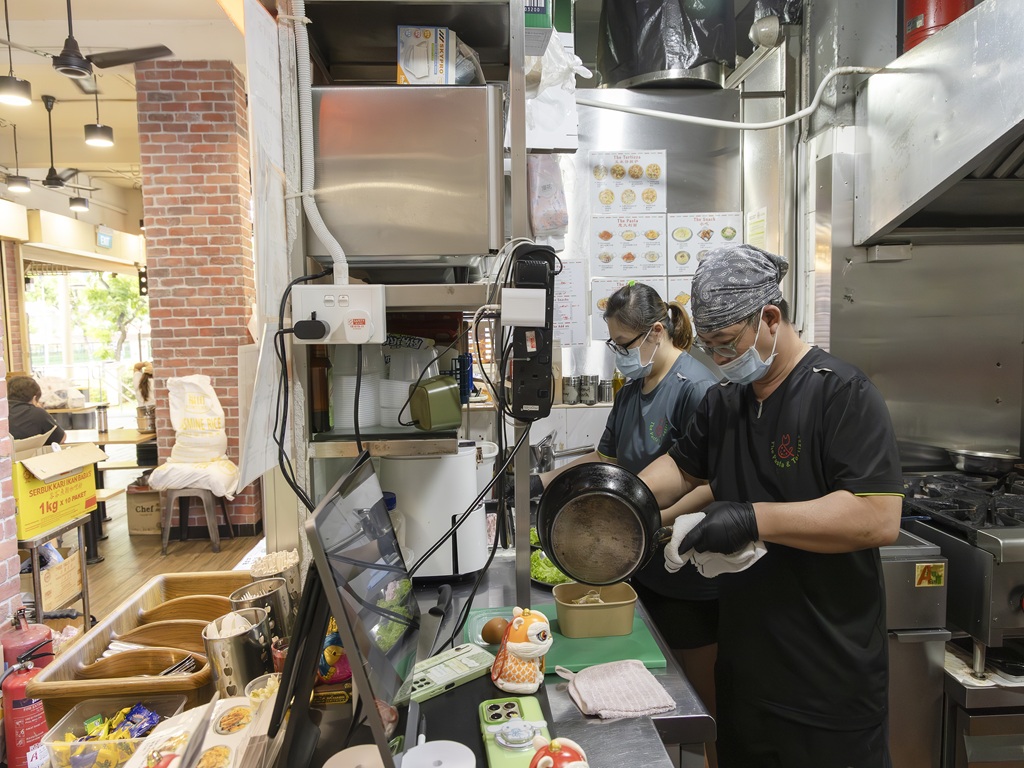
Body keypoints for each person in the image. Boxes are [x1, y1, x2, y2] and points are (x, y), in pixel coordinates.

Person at [638, 245, 903, 768]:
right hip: (747, 674)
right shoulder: (725, 402)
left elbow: (876, 517)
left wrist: (754, 519)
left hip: (828, 678)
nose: (718, 359)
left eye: (727, 343)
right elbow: (681, 469)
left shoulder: (841, 393)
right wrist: (622, 501)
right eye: (708, 348)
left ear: (771, 318)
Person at [532, 282, 721, 764]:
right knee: (650, 687)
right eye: (613, 344)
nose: (619, 353)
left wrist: (651, 521)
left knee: (695, 697)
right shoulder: (633, 390)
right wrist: (543, 483)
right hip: (638, 561)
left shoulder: (696, 389)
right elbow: (605, 459)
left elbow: (711, 482)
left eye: (623, 343)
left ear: (657, 332)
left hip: (685, 565)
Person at [8, 375, 66, 445]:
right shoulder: (37, 413)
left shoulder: (3, 413)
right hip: (30, 455)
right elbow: (61, 438)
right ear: (34, 399)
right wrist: (39, 409)